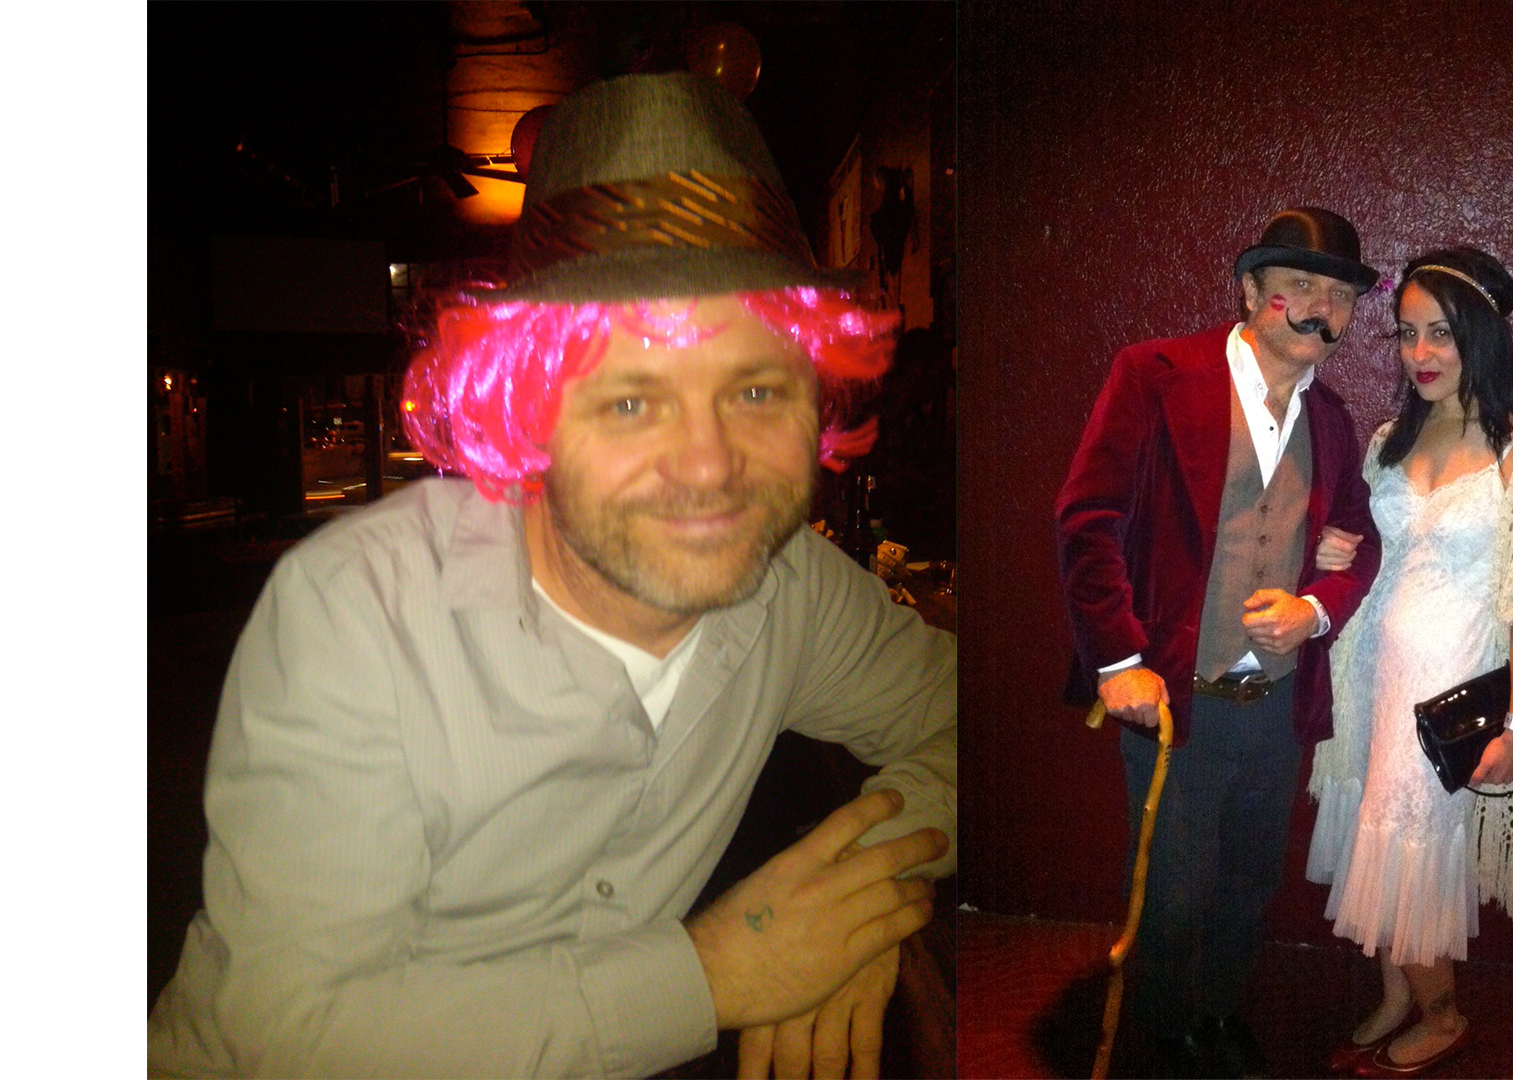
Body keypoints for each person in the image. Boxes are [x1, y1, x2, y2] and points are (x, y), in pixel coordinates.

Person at [147, 73, 956, 1080]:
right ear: (528, 416)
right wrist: (714, 975)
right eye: (630, 403)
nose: (709, 466)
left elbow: (973, 720)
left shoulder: (792, 588)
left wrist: (855, 902)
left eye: (756, 391)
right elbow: (285, 1035)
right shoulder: (358, 612)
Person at [1055, 208, 1383, 1079]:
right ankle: (1164, 1032)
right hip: (1175, 694)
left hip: (1275, 702)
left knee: (1249, 882)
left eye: (1340, 297)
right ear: (1250, 291)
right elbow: (1087, 520)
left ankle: (1216, 1012)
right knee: (1173, 889)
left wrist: (1316, 608)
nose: (1321, 309)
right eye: (1299, 286)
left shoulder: (1333, 419)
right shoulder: (1155, 374)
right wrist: (1119, 661)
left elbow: (1360, 544)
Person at [1303, 247, 1513, 1076]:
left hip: (1452, 686)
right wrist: (1337, 549)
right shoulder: (1391, 439)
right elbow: (1365, 552)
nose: (1419, 353)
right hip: (1371, 680)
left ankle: (1443, 1013)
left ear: (1482, 336)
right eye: (1407, 333)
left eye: (1442, 334)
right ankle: (1396, 997)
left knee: (1411, 841)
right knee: (1376, 841)